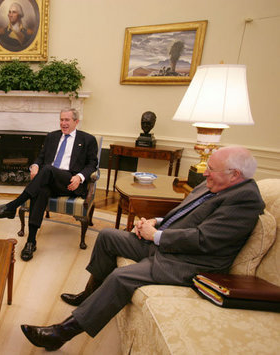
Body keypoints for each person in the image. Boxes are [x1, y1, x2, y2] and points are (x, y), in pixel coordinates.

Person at [20, 146, 265, 351]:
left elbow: (205, 240)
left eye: (211, 169)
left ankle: (61, 333)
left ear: (235, 174)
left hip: (191, 262)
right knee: (106, 236)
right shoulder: (214, 184)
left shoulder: (245, 200)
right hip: (167, 243)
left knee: (121, 276)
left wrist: (157, 236)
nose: (206, 173)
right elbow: (185, 214)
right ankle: (90, 295)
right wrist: (155, 222)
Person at [0, 108, 98, 261]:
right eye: (61, 120)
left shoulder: (87, 139)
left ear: (76, 121)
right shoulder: (52, 136)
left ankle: (12, 206)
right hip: (49, 180)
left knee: (48, 170)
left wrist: (79, 177)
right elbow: (41, 157)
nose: (63, 123)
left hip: (70, 182)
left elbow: (92, 164)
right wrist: (35, 165)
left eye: (67, 120)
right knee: (41, 190)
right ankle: (31, 242)